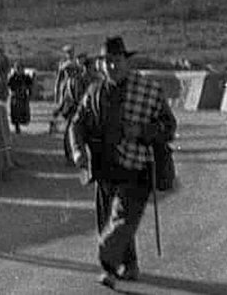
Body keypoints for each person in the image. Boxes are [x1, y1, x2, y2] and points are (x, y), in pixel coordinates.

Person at [67, 36, 176, 289]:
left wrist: (141, 131)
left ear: (126, 62)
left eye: (116, 61)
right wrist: (77, 151)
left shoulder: (148, 91)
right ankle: (129, 265)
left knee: (121, 222)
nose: (111, 67)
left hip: (137, 168)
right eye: (106, 62)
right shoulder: (94, 91)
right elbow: (77, 123)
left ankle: (109, 269)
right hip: (104, 168)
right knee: (110, 221)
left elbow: (169, 127)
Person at [51, 45, 85, 134]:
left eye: (71, 52)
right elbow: (59, 78)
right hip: (66, 86)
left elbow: (80, 74)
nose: (70, 54)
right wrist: (57, 90)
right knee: (63, 105)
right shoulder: (64, 64)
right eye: (68, 52)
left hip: (75, 86)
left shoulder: (76, 63)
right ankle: (54, 123)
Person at [8, 61, 34, 134]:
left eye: (21, 68)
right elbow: (10, 87)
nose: (19, 70)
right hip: (15, 97)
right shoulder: (12, 77)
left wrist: (29, 94)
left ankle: (22, 123)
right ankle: (17, 127)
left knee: (23, 113)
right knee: (15, 113)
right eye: (17, 68)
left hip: (23, 97)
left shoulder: (26, 77)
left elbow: (30, 86)